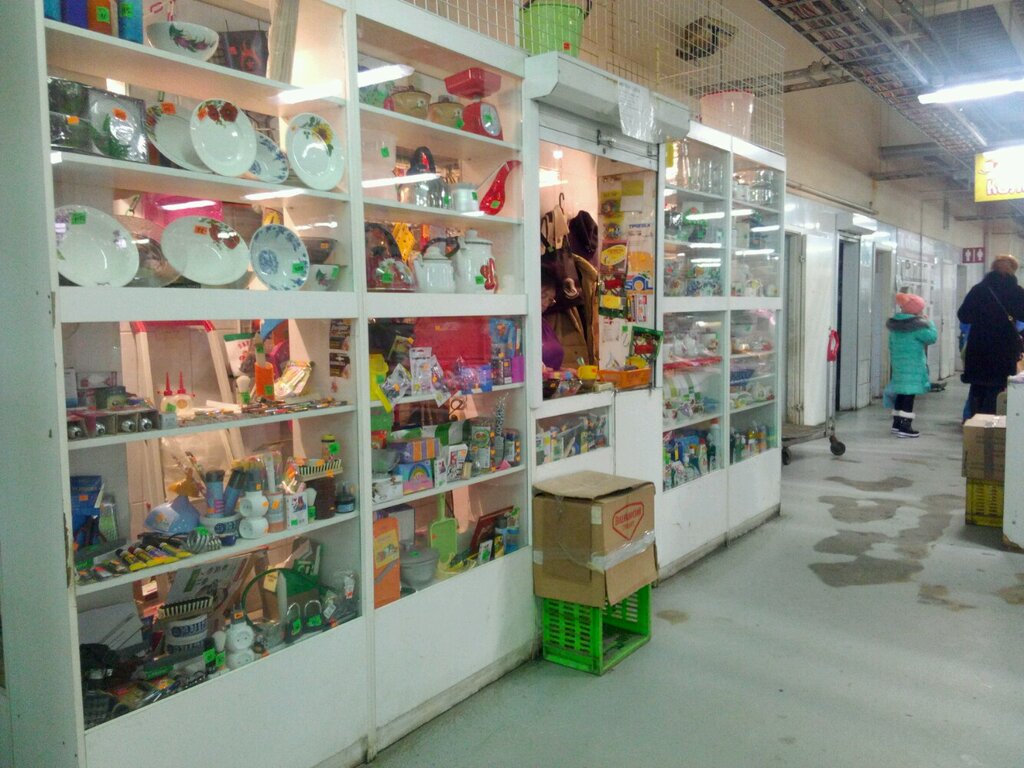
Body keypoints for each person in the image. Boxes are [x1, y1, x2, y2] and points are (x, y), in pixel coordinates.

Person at [957, 254, 1024, 418]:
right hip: (1005, 349)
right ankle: (993, 423)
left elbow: (963, 315)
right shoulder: (1017, 292)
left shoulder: (979, 290)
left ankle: (975, 422)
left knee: (977, 388)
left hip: (979, 348)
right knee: (998, 388)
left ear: (993, 268)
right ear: (1014, 270)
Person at [884, 292, 937, 437]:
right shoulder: (917, 327)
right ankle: (905, 427)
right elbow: (932, 338)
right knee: (909, 395)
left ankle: (896, 424)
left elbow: (890, 345)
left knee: (901, 393)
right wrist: (929, 323)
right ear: (916, 311)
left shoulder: (895, 327)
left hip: (899, 365)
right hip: (913, 366)